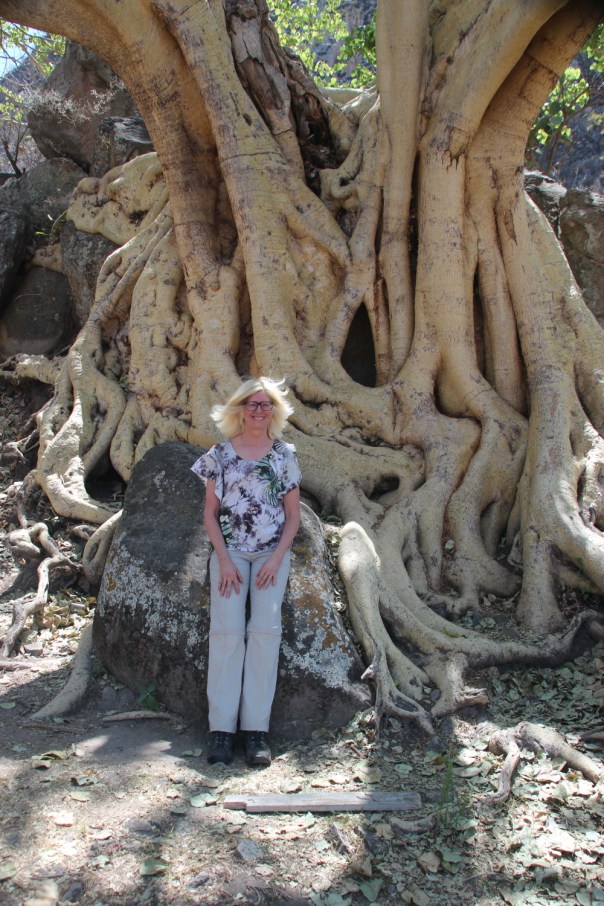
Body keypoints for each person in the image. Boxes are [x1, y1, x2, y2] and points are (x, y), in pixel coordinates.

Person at [191, 377, 301, 767]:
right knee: (226, 634)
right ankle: (221, 731)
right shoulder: (219, 455)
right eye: (252, 404)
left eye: (265, 404)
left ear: (274, 411)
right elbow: (209, 513)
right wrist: (222, 559)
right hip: (231, 555)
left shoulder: (284, 454)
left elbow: (293, 518)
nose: (258, 410)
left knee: (265, 635)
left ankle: (256, 732)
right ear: (239, 410)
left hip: (272, 556)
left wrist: (274, 560)